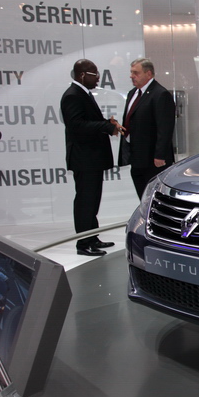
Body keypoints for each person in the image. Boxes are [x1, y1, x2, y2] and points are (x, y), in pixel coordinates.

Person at [61, 59, 125, 256]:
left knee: (91, 200)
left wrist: (107, 123)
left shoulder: (82, 94)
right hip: (84, 159)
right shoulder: (72, 95)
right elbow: (77, 126)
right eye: (94, 74)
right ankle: (83, 243)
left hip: (91, 159)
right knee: (85, 201)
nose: (98, 77)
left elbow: (87, 122)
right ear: (82, 75)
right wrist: (106, 127)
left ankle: (92, 237)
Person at [119, 58, 176, 199]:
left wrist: (160, 155)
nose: (131, 76)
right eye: (131, 72)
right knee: (143, 198)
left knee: (154, 198)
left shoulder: (160, 94)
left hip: (153, 160)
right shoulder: (132, 94)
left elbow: (165, 128)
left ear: (148, 74)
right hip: (136, 157)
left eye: (135, 73)